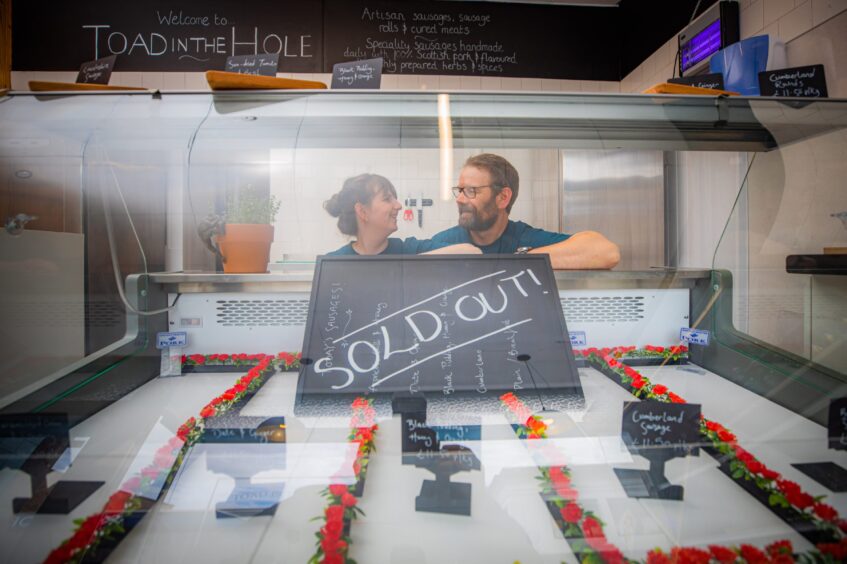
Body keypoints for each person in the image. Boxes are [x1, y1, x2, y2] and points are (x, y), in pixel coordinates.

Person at [430, 153, 620, 269]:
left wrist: (522, 261)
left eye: (471, 191)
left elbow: (606, 252)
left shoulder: (525, 240)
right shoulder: (444, 242)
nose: (460, 199)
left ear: (503, 197)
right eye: (460, 190)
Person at [324, 173, 480, 256]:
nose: (398, 206)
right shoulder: (335, 262)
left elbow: (472, 251)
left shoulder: (409, 249)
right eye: (387, 199)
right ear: (362, 211)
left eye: (395, 199)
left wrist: (408, 265)